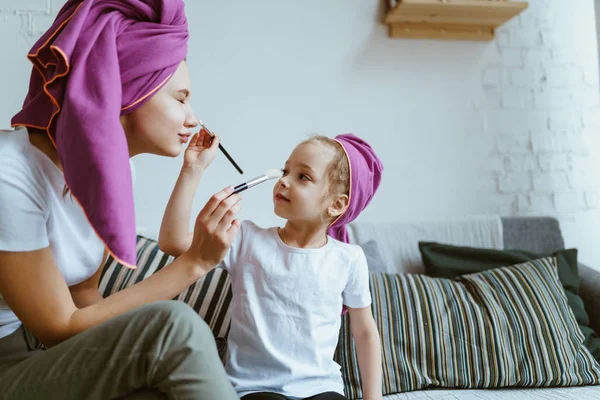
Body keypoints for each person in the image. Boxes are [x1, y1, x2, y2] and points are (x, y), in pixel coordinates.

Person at [0, 1, 242, 398]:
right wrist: (194, 262)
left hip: (43, 355)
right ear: (128, 91)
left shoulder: (116, 172)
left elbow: (82, 295)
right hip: (10, 360)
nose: (193, 118)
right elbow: (58, 326)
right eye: (180, 98)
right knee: (172, 327)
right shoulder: (10, 173)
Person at [160, 131, 385, 400]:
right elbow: (173, 243)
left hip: (320, 388)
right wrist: (192, 170)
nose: (284, 181)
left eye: (303, 176)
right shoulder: (245, 239)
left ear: (336, 205)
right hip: (253, 387)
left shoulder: (349, 258)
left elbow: (364, 332)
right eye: (285, 170)